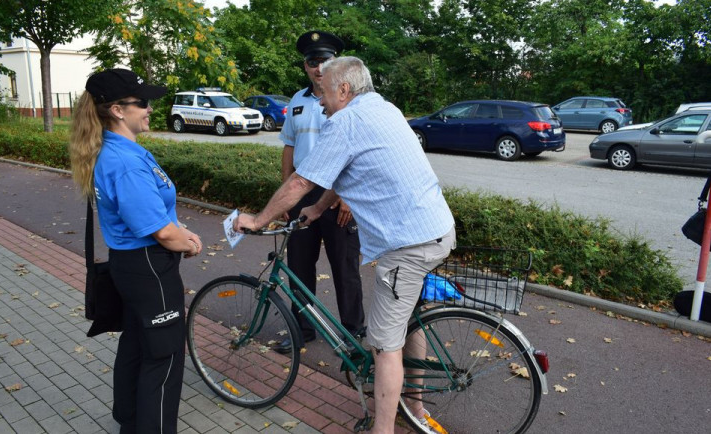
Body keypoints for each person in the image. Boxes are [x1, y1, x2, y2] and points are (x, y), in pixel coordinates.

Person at [234, 56, 455, 434]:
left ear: (344, 90)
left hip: (408, 246)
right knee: (409, 321)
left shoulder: (346, 121)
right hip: (435, 230)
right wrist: (320, 209)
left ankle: (383, 428)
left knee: (384, 346)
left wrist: (257, 220)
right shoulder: (383, 108)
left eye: (323, 93)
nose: (320, 101)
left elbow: (300, 181)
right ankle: (413, 405)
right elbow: (345, 169)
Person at [69, 68, 202, 434]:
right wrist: (187, 241)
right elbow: (160, 232)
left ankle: (130, 422)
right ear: (117, 110)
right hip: (149, 269)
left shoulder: (116, 150)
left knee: (137, 345)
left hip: (131, 265)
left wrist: (179, 229)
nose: (149, 109)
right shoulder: (125, 163)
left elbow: (155, 213)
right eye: (142, 102)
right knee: (164, 356)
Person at [274, 30, 365, 353]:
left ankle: (353, 331)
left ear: (335, 63)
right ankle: (303, 329)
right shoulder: (297, 102)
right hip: (303, 194)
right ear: (305, 66)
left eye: (324, 61)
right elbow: (289, 147)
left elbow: (357, 152)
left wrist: (347, 196)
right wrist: (287, 192)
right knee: (299, 266)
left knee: (345, 266)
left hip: (338, 194)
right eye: (312, 62)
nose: (318, 68)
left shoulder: (348, 100)